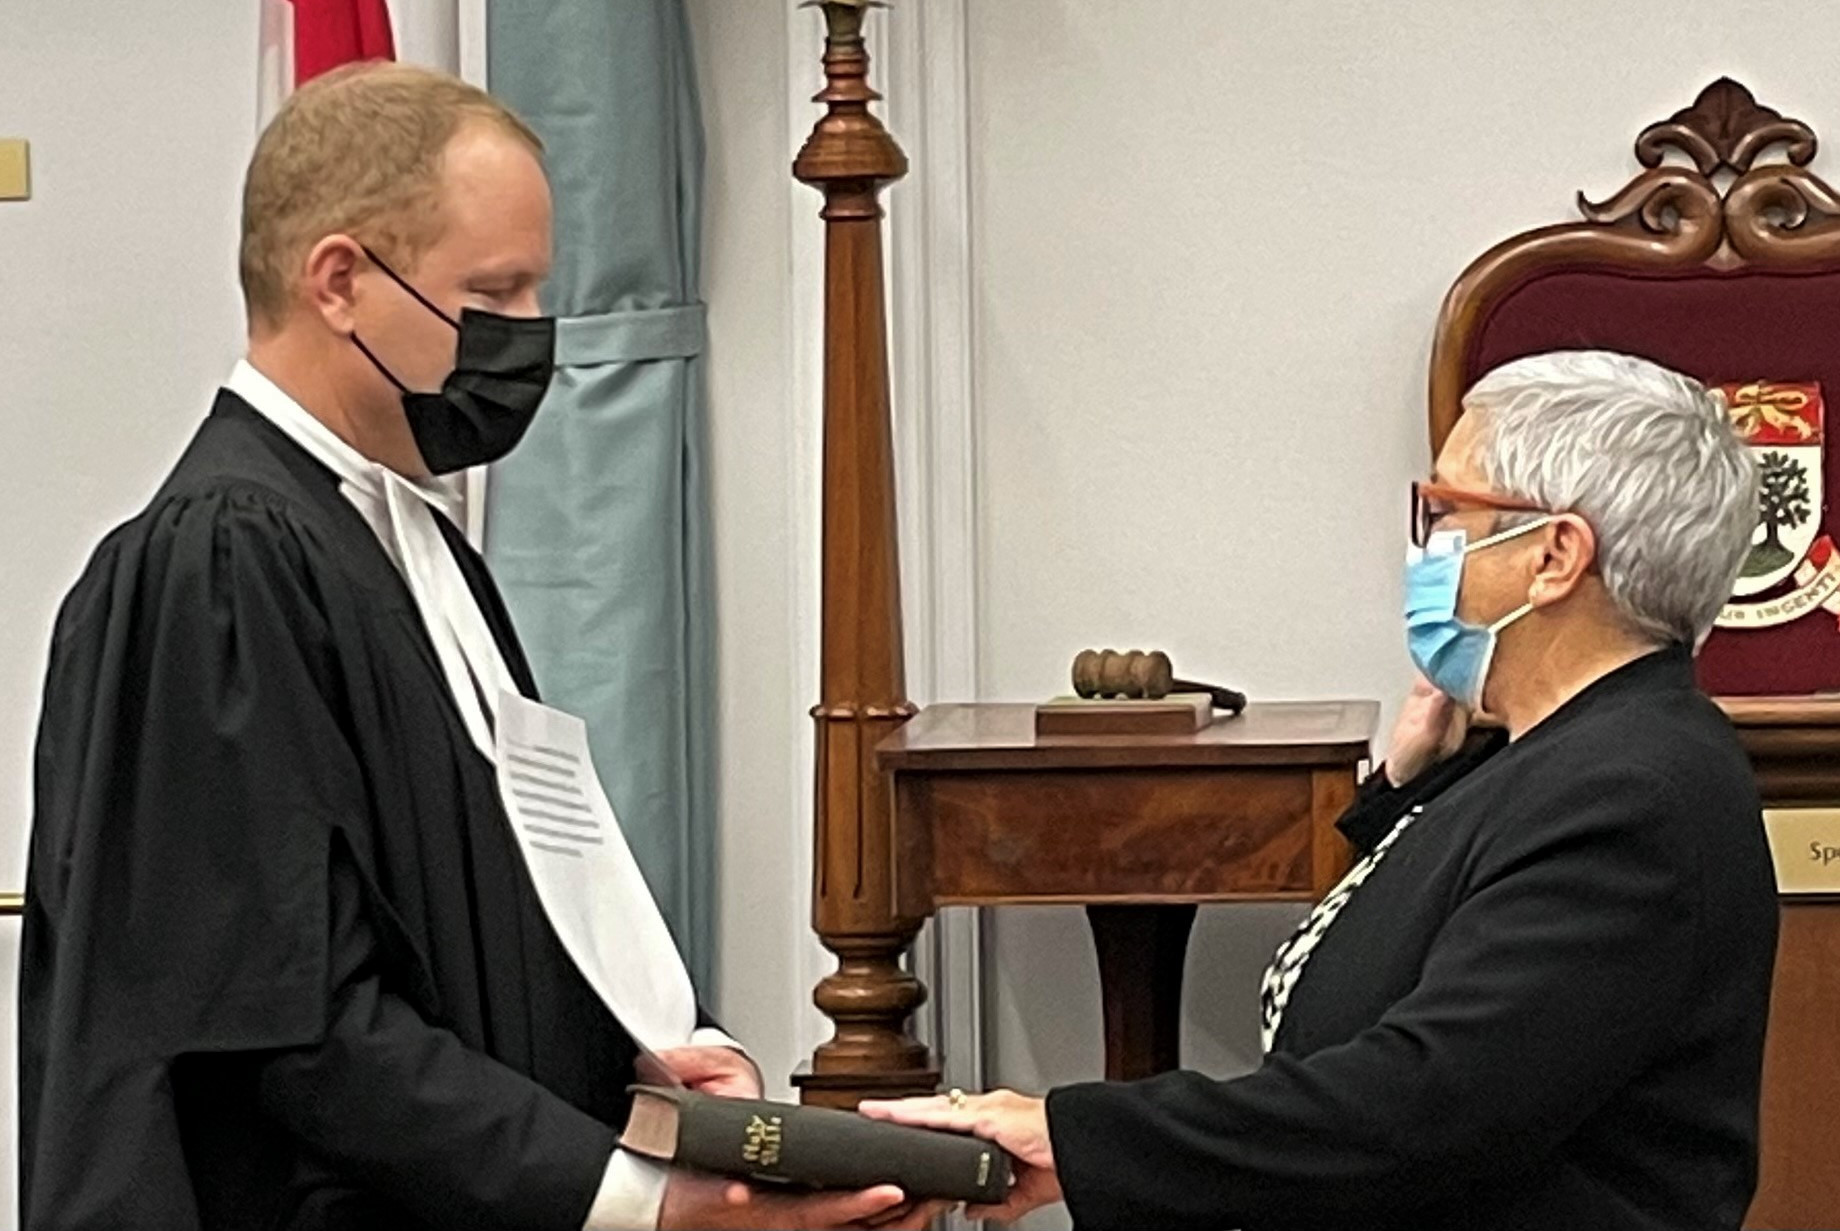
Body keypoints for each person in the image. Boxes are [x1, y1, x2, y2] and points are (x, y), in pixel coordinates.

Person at [20, 63, 935, 1231]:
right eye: (492, 295)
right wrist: (631, 1200)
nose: (522, 340)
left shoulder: (412, 541)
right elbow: (284, 1021)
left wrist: (643, 1058)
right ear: (341, 279)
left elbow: (476, 918)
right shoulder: (226, 560)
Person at [864, 350, 1780, 1231]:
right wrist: (1400, 783)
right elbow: (1393, 943)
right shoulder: (1547, 754)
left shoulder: (1632, 793)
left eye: (1447, 509)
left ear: (1554, 556)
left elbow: (1421, 1104)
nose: (1425, 545)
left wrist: (1074, 1135)